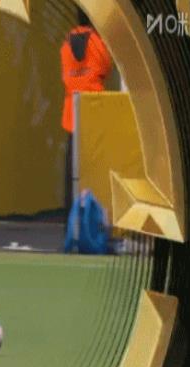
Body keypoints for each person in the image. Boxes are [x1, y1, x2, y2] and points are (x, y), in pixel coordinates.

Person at [61, 7, 112, 216]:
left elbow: (65, 74)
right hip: (94, 110)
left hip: (72, 113)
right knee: (94, 170)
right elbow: (106, 67)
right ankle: (93, 218)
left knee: (72, 171)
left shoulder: (66, 43)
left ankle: (71, 219)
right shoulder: (97, 42)